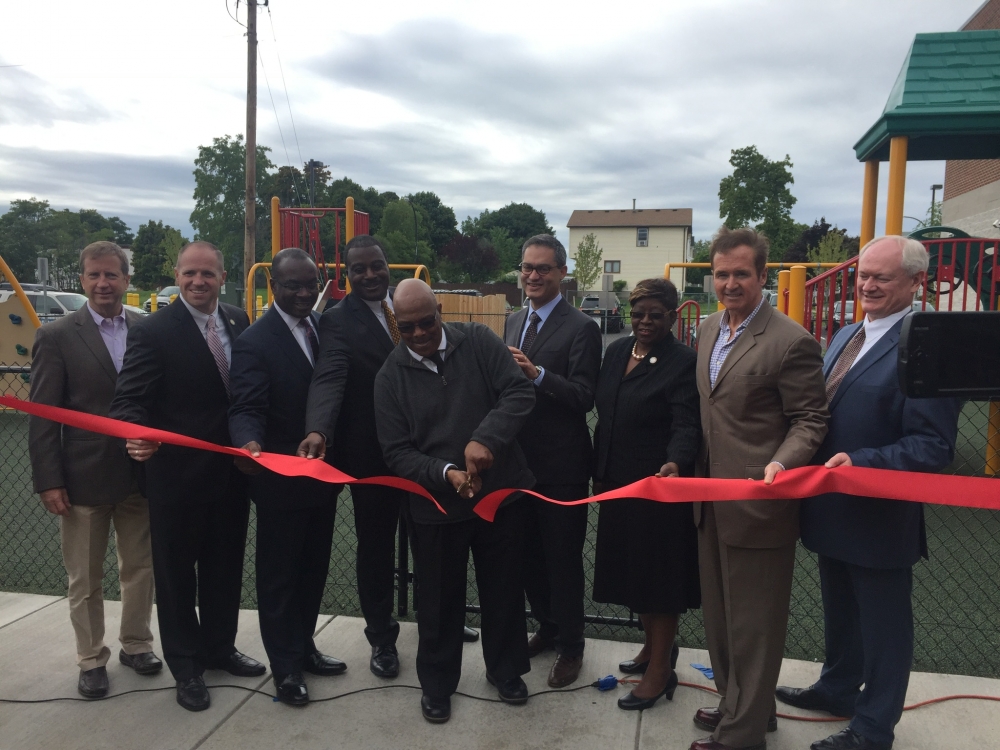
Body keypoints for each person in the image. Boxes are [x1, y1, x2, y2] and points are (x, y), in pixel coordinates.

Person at [776, 236, 961, 750]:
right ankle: (838, 689)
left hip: (878, 514)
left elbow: (933, 446)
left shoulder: (927, 345)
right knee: (840, 610)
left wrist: (862, 463)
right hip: (830, 507)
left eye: (882, 277)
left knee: (884, 627)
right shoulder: (845, 333)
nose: (868, 285)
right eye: (863, 275)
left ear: (915, 283)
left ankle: (874, 728)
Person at [110, 241, 265, 712]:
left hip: (231, 478)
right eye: (190, 273)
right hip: (176, 481)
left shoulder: (239, 320)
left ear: (223, 277)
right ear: (176, 276)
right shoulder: (154, 331)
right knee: (177, 579)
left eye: (209, 274)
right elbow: (129, 400)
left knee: (224, 571)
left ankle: (219, 649)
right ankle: (187, 667)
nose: (199, 282)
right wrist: (134, 436)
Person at [691, 227, 829, 750]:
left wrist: (780, 463)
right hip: (710, 503)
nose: (729, 283)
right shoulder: (707, 329)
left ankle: (742, 734)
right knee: (722, 620)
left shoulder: (791, 340)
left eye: (740, 274)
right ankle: (741, 705)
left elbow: (811, 420)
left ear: (762, 275)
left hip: (759, 504)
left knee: (754, 626)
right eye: (721, 273)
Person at [374, 278, 535, 724]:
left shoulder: (480, 341)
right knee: (438, 599)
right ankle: (438, 685)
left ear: (440, 311)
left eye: (427, 321)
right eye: (408, 328)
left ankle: (506, 672)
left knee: (503, 588)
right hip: (437, 507)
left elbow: (519, 392)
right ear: (396, 325)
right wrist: (446, 474)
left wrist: (486, 439)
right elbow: (397, 452)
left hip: (498, 496)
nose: (420, 333)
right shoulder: (389, 377)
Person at [28, 241, 161, 699]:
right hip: (82, 478)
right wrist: (49, 479)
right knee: (85, 578)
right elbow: (44, 414)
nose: (103, 283)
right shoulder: (58, 335)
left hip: (140, 475)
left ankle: (137, 645)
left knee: (140, 568)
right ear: (82, 281)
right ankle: (91, 658)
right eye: (94, 275)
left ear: (126, 279)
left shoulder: (149, 328)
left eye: (112, 275)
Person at [228, 248, 348, 707]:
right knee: (280, 577)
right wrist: (248, 443)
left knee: (313, 569)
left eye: (309, 283)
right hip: (279, 479)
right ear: (272, 287)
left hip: (321, 477)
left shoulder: (324, 327)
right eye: (292, 285)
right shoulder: (256, 341)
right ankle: (286, 669)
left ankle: (305, 647)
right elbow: (245, 406)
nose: (302, 292)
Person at [591, 278, 701, 711]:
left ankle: (660, 670)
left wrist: (676, 461)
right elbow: (608, 415)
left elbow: (686, 423)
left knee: (659, 579)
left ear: (673, 316)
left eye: (656, 314)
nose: (645, 321)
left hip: (658, 487)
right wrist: (600, 473)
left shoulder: (682, 361)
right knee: (636, 572)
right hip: (618, 484)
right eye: (638, 314)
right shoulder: (618, 351)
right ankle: (653, 649)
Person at [503, 234, 601, 688]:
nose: (533, 276)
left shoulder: (582, 327)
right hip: (516, 462)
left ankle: (571, 646)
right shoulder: (512, 320)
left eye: (543, 268)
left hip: (561, 467)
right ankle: (546, 626)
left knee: (561, 559)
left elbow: (583, 397)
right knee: (525, 557)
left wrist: (536, 374)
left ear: (562, 273)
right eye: (527, 267)